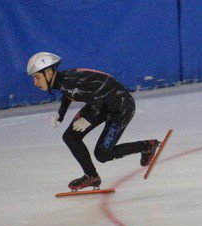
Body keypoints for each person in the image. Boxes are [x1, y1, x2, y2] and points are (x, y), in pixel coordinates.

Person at [26, 52, 161, 191]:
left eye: (37, 77)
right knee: (70, 137)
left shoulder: (69, 81)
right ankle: (91, 176)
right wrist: (60, 115)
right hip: (100, 104)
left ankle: (147, 146)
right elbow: (69, 94)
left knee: (103, 154)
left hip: (121, 106)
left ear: (48, 73)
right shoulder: (63, 81)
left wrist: (88, 119)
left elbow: (96, 99)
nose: (35, 83)